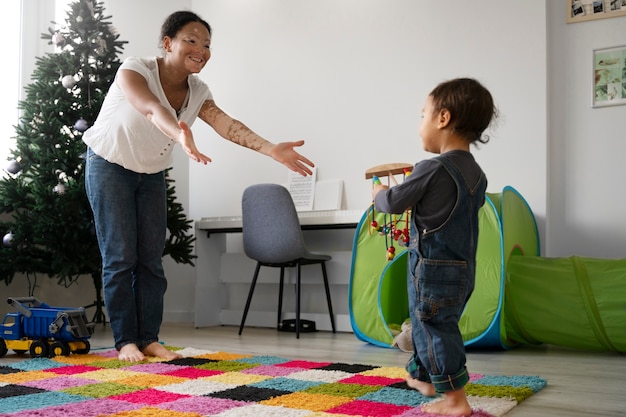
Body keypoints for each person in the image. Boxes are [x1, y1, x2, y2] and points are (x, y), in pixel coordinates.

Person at [83, 10, 315, 362]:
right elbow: (148, 107)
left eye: (206, 44)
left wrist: (270, 149)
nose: (201, 50)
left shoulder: (198, 91)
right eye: (191, 40)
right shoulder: (136, 69)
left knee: (150, 259)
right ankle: (125, 341)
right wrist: (178, 131)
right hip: (109, 165)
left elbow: (226, 124)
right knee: (120, 257)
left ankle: (148, 338)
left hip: (150, 173)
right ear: (167, 43)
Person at [371, 78, 497, 417]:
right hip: (462, 268)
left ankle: (456, 401)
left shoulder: (433, 168)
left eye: (422, 115)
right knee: (430, 325)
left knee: (435, 329)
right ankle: (427, 380)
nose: (420, 124)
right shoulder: (475, 173)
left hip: (433, 268)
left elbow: (394, 202)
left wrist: (379, 193)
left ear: (442, 118)